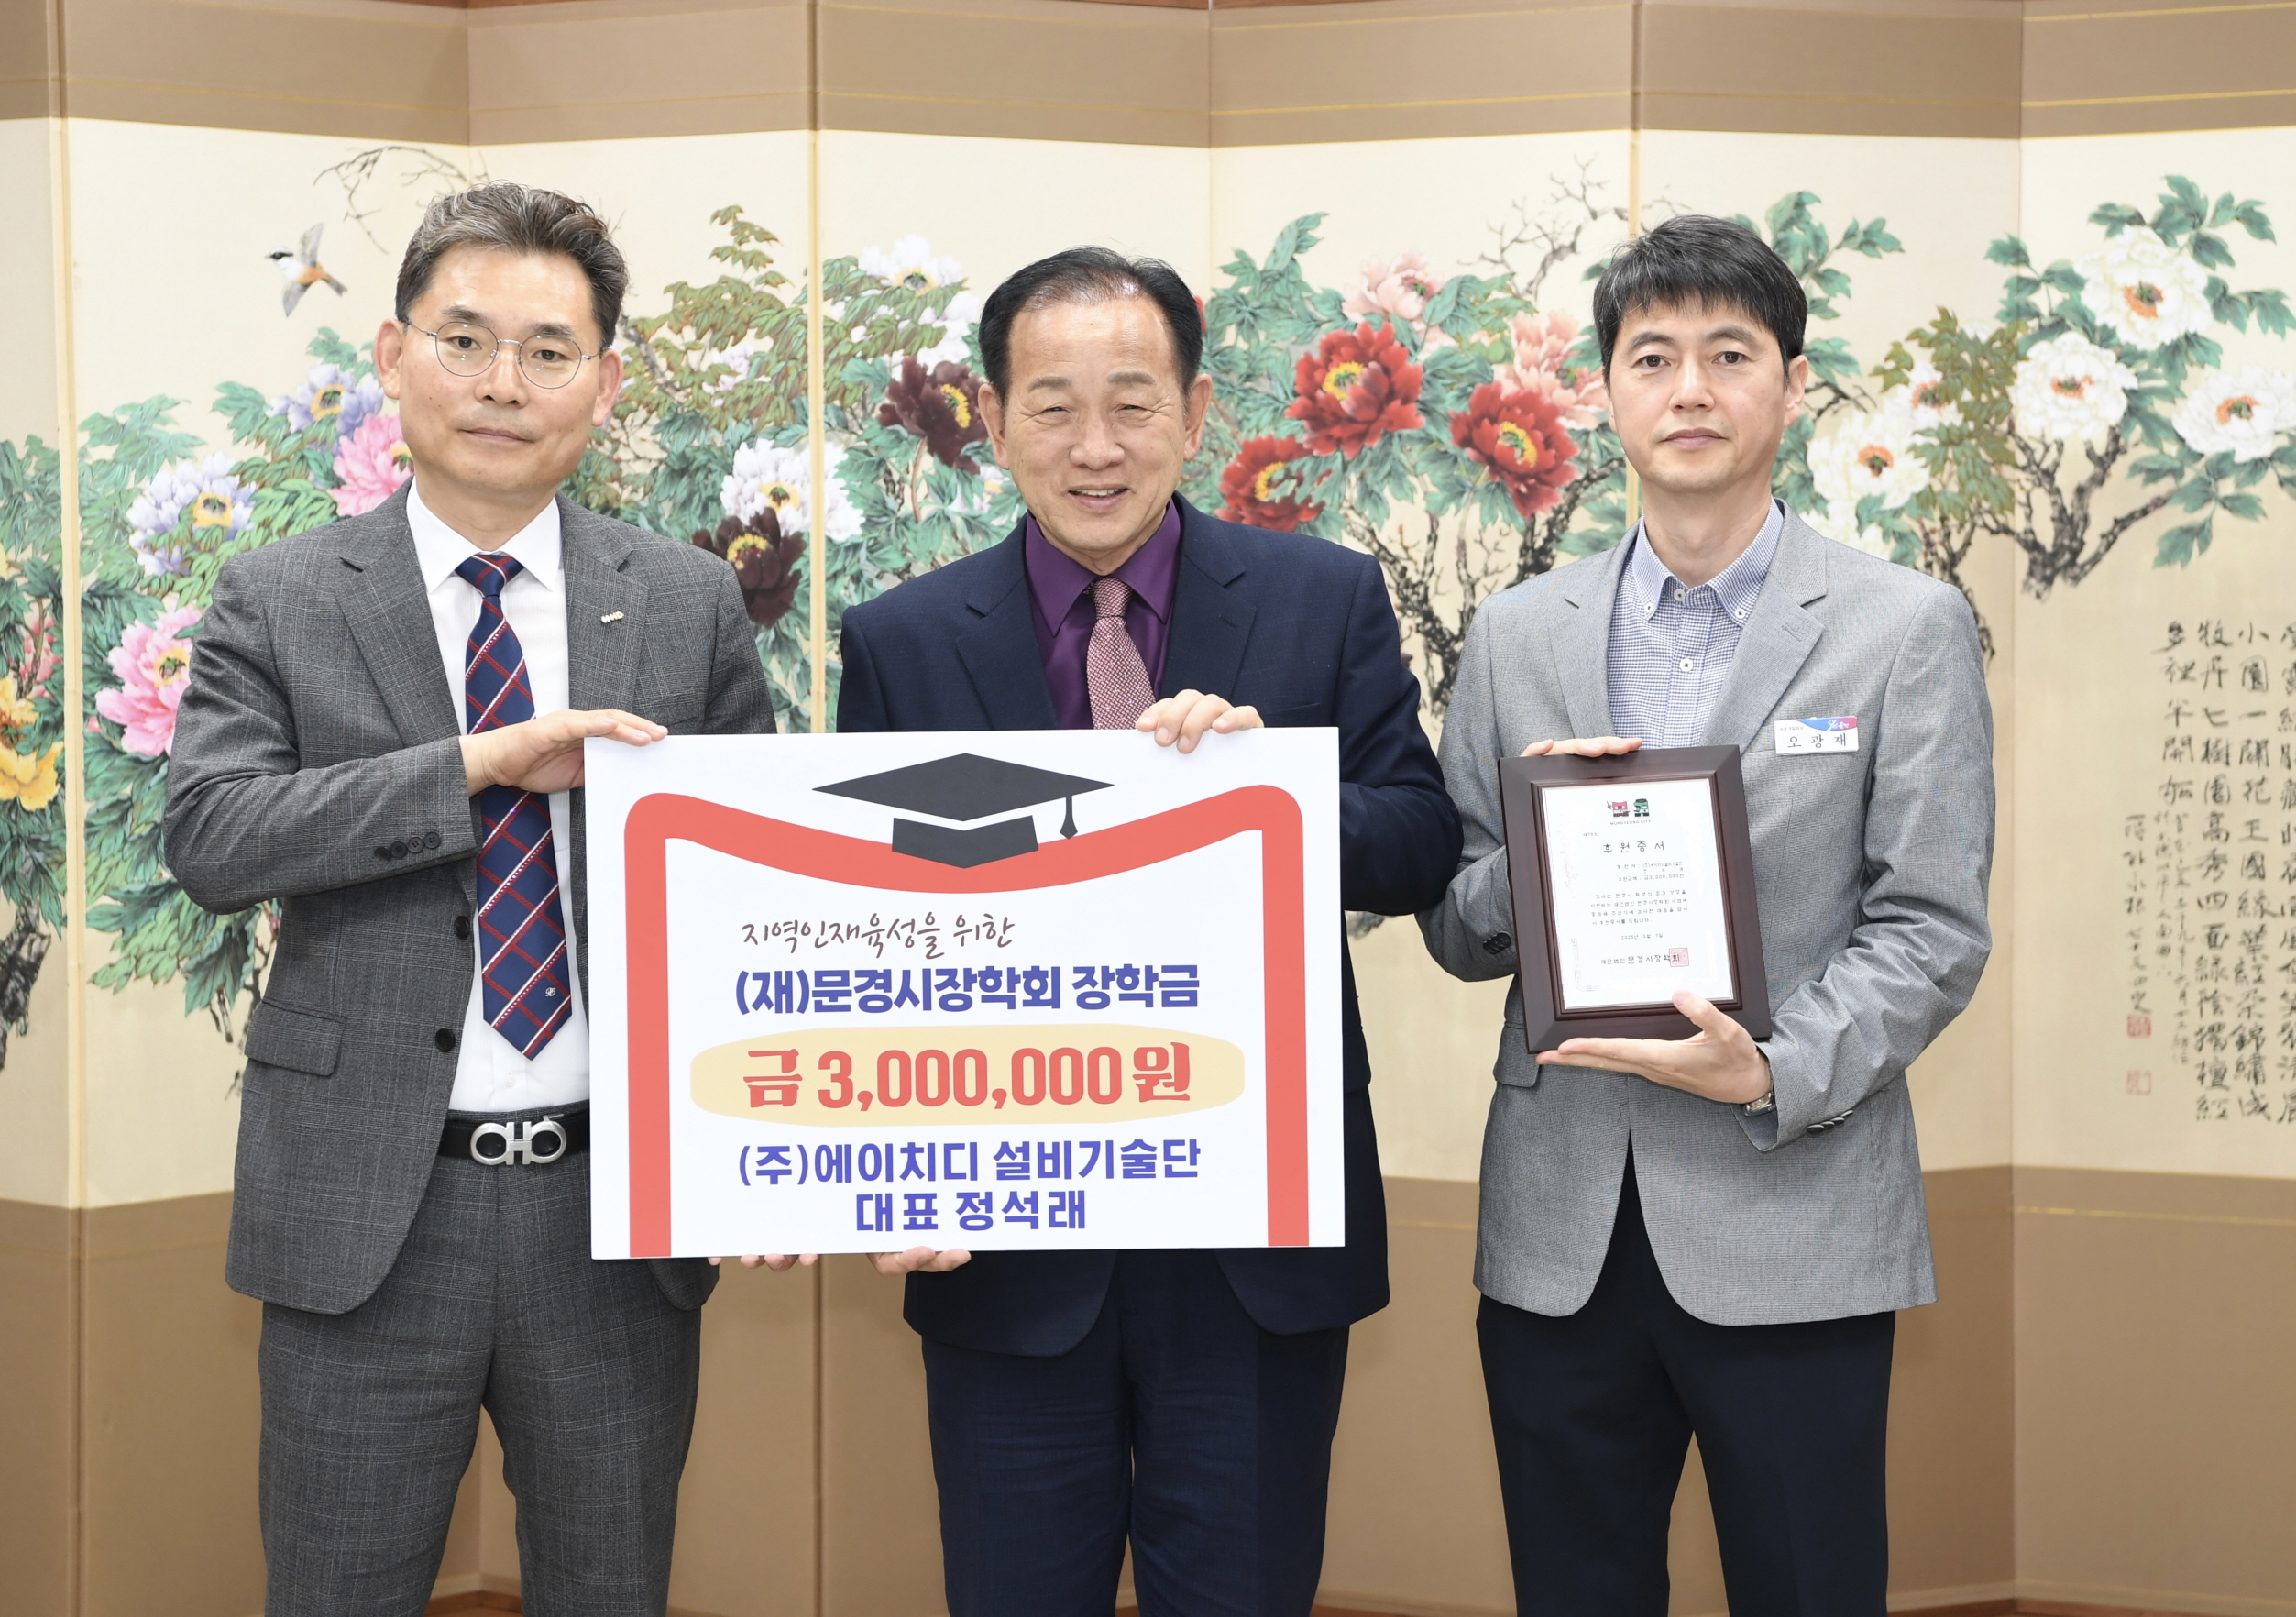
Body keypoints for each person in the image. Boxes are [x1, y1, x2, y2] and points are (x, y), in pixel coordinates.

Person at [164, 183, 776, 1616]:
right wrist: (477, 767)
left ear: (603, 385)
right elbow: (214, 837)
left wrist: (767, 1148)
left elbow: (749, 890)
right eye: (465, 339)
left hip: (613, 1216)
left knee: (612, 1587)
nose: (504, 383)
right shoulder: (281, 595)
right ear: (393, 357)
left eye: (548, 351)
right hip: (368, 1213)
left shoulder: (682, 599)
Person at [835, 247, 1461, 1616]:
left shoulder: (1321, 599)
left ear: (1195, 413)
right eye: (1052, 406)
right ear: (992, 421)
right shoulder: (902, 639)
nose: (1096, 447)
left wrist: (1265, 796)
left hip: (1254, 1239)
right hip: (1005, 1246)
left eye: (1132, 403)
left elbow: (1420, 841)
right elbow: (868, 928)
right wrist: (878, 1168)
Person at [1418, 214, 1995, 1614]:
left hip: (1792, 1213)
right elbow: (1454, 923)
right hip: (1559, 1231)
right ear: (1604, 392)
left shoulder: (1901, 625)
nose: (1689, 389)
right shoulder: (1516, 634)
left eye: (1728, 356)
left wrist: (1773, 1068)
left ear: (1791, 387)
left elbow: (1929, 924)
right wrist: (1534, 859)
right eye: (1652, 356)